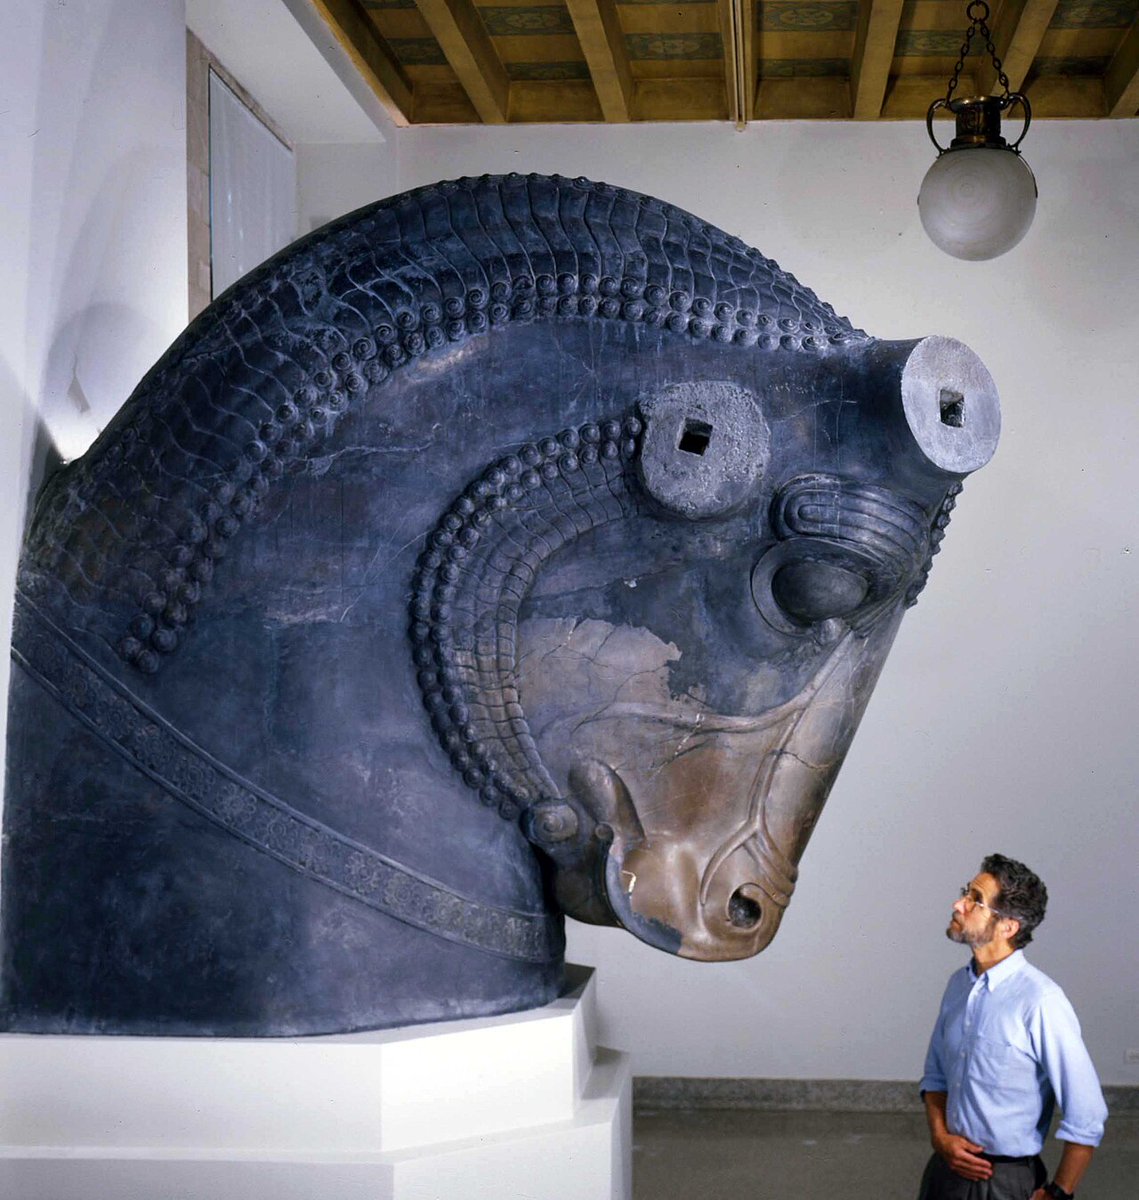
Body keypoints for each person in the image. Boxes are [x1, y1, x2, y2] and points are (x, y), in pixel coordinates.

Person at [918, 853, 1107, 1200]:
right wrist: (940, 1137)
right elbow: (935, 1079)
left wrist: (1058, 1193)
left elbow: (1087, 1114)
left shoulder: (1041, 1001)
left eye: (976, 900)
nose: (958, 904)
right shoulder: (957, 986)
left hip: (1003, 1183)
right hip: (943, 1172)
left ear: (1008, 927)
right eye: (966, 892)